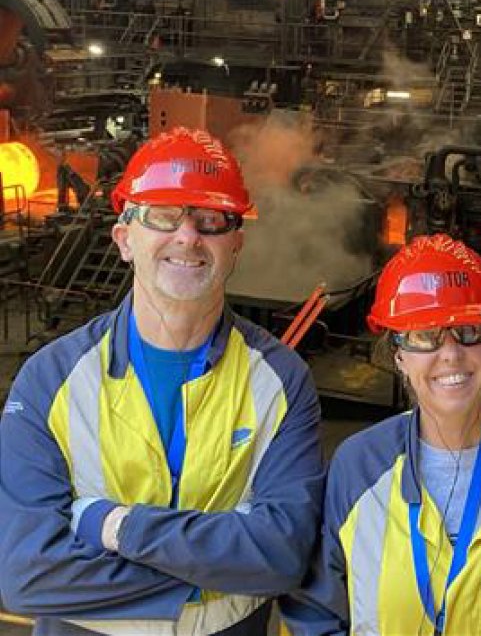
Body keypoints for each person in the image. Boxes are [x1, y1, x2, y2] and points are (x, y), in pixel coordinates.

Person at [0, 127, 325, 635]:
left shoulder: (280, 380)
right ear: (125, 240)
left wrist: (114, 526)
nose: (188, 236)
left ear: (236, 243)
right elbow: (26, 573)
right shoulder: (52, 379)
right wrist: (214, 573)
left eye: (211, 219)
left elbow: (281, 556)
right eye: (163, 216)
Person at [280, 234, 481, 635]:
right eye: (425, 336)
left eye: (468, 330)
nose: (451, 353)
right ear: (399, 355)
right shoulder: (359, 467)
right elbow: (315, 612)